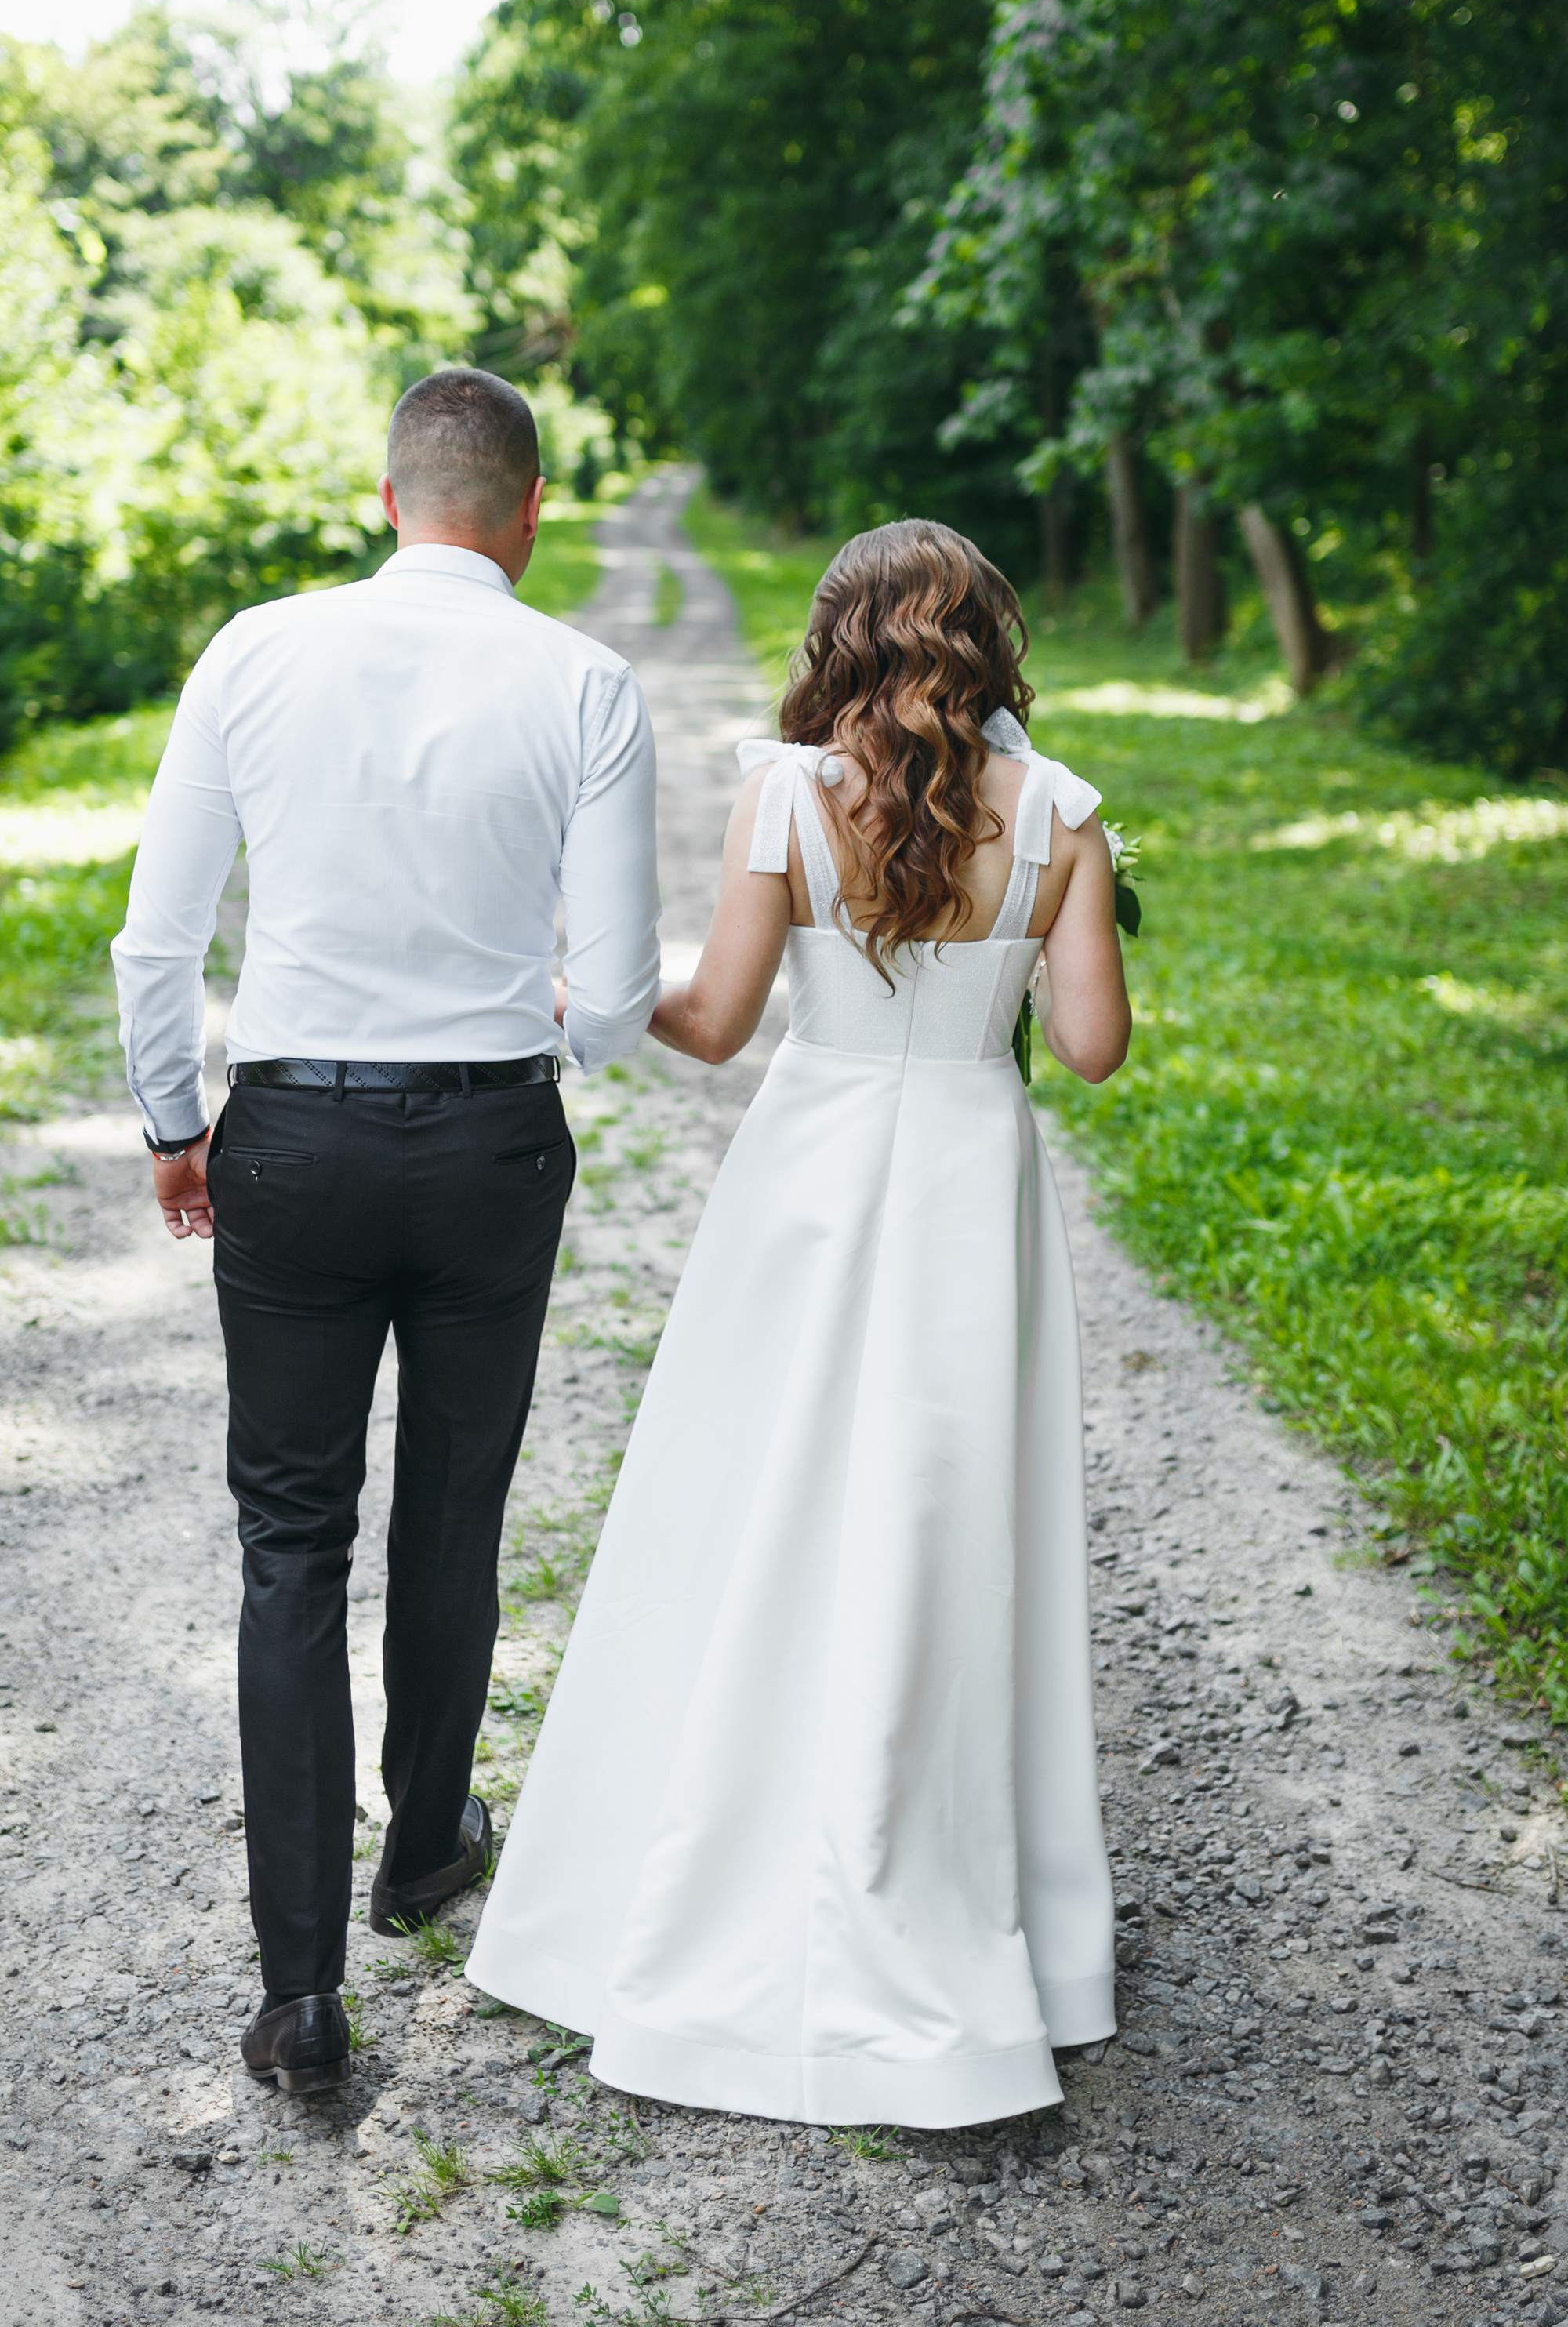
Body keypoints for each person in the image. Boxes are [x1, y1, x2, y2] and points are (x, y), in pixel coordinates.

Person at [468, 518, 1131, 2128]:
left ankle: (720, 1847)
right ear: (985, 648)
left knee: (757, 1503)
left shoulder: (782, 796)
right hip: (969, 1175)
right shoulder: (1058, 815)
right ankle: (957, 1878)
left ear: (836, 642)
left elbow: (703, 1021)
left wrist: (562, 989)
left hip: (810, 1176)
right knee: (946, 1526)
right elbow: (1093, 1047)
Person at [110, 367, 661, 2099]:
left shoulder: (253, 651)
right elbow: (625, 990)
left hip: (292, 1139)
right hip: (491, 1137)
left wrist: (174, 1128)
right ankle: (424, 1850)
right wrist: (538, 1038)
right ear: (531, 506)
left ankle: (299, 1998)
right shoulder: (584, 681)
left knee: (290, 1542)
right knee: (453, 1506)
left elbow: (156, 944)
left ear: (382, 493)